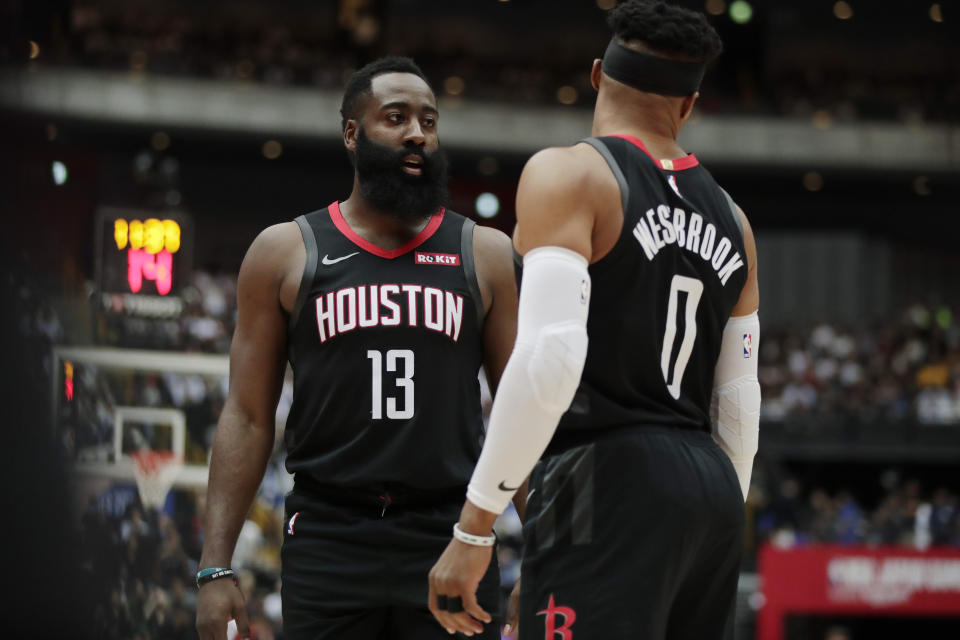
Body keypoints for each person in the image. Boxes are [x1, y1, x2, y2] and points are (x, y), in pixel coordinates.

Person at [429, 2, 760, 639]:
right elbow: (740, 405)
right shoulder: (735, 220)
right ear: (688, 105)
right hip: (712, 490)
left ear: (596, 76)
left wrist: (476, 524)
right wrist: (711, 519)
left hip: (605, 477)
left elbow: (551, 363)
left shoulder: (573, 174)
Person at [195, 56, 521, 640]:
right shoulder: (285, 252)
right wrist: (215, 567)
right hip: (327, 535)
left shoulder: (486, 254)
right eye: (395, 117)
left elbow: (521, 411)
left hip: (450, 532)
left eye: (429, 120)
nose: (417, 133)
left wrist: (550, 549)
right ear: (352, 133)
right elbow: (246, 416)